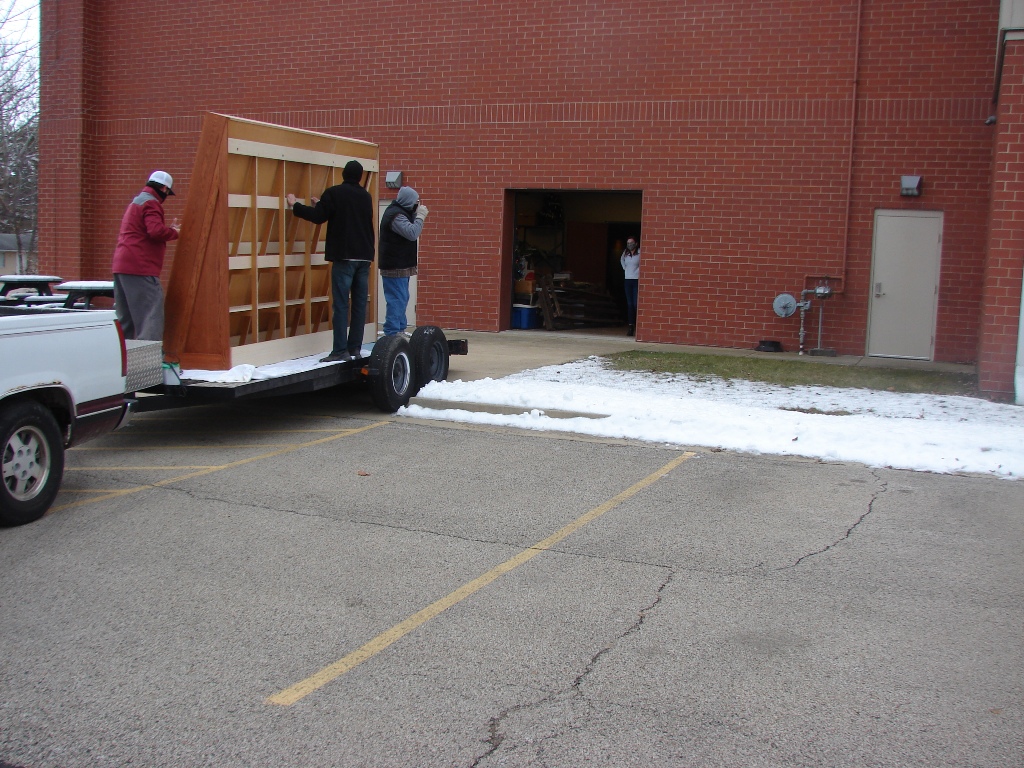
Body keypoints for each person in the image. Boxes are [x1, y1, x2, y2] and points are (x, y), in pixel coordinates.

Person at [286, 160, 375, 362]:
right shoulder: (366, 196)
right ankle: (354, 349)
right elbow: (348, 215)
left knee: (341, 305)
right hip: (364, 256)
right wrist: (323, 205)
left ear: (343, 174)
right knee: (359, 305)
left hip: (344, 256)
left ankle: (339, 351)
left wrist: (295, 205)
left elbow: (319, 217)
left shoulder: (334, 193)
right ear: (360, 177)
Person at [111, 170, 180, 341]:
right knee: (150, 315)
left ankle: (123, 356)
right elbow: (155, 231)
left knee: (125, 319)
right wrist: (174, 232)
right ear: (164, 188)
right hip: (140, 267)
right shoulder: (151, 203)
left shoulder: (136, 202)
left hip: (121, 266)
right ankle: (148, 357)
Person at [378, 185, 428, 337]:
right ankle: (392, 332)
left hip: (402, 264)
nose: (417, 204)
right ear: (408, 201)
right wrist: (420, 217)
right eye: (416, 202)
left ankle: (400, 328)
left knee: (403, 297)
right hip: (394, 265)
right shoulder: (396, 216)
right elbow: (412, 233)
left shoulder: (402, 213)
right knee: (397, 299)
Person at [620, 236, 640, 336]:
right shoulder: (626, 253)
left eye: (631, 243)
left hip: (636, 279)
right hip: (628, 279)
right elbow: (621, 260)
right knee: (630, 304)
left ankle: (638, 325)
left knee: (636, 304)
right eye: (628, 243)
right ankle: (631, 326)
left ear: (636, 243)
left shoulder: (640, 253)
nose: (629, 245)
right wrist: (625, 268)